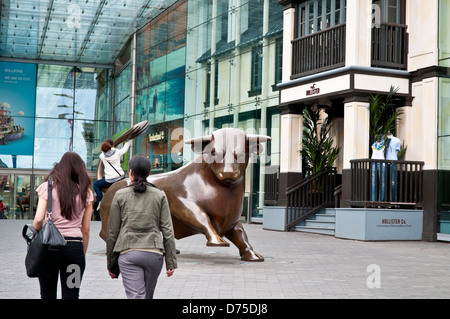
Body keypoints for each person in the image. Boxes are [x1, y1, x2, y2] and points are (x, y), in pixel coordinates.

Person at [106, 156, 177, 299]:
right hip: (154, 254)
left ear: (130, 173)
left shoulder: (120, 195)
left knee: (136, 295)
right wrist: (171, 261)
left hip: (128, 253)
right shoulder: (160, 195)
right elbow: (168, 230)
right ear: (149, 174)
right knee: (147, 296)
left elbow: (112, 232)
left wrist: (111, 264)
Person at [32, 152, 94, 299]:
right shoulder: (87, 192)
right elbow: (85, 229)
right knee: (72, 295)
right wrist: (81, 253)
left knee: (47, 294)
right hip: (74, 249)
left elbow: (38, 220)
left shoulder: (47, 188)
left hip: (49, 249)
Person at [93, 138, 132, 213]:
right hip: (120, 178)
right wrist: (128, 140)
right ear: (112, 146)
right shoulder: (117, 152)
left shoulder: (102, 156)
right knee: (104, 178)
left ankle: (101, 200)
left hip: (109, 180)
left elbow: (103, 150)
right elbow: (125, 149)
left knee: (95, 184)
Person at [371, 135, 385, 201]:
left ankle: (380, 200)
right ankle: (373, 200)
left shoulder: (383, 145)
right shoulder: (373, 146)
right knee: (373, 182)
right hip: (374, 163)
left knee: (382, 183)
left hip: (382, 164)